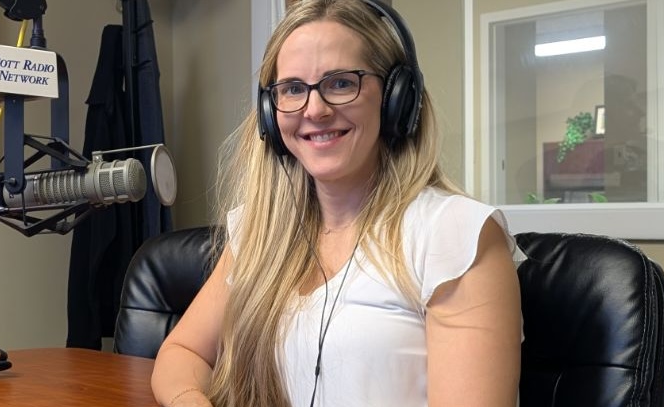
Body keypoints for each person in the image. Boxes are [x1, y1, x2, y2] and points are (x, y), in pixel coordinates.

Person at [151, 1, 524, 406]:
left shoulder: (455, 236)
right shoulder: (258, 234)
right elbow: (181, 354)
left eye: (341, 83)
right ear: (269, 114)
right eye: (292, 89)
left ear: (396, 99)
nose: (315, 109)